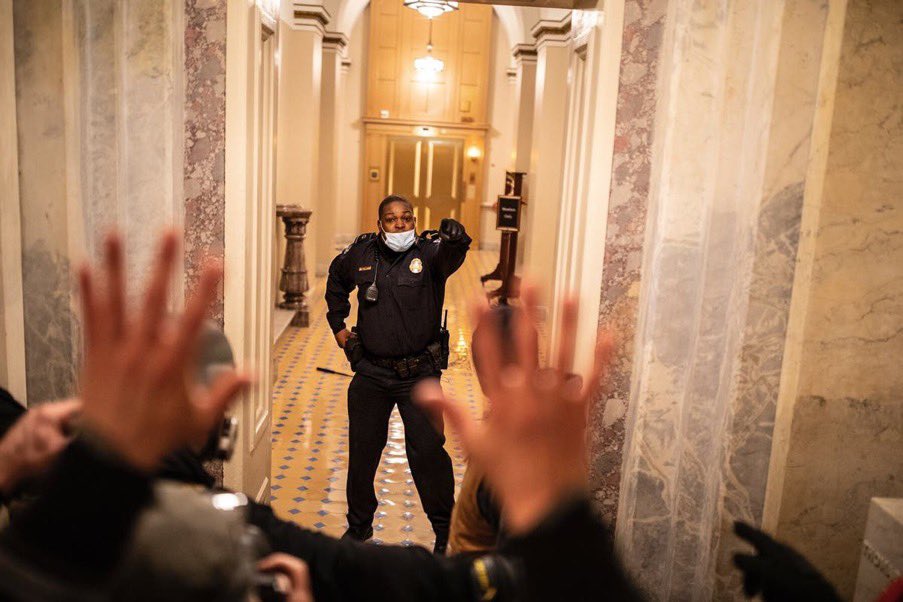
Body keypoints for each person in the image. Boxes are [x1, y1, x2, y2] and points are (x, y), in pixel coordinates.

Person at [325, 195, 470, 553]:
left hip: (419, 375)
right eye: (392, 219)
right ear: (380, 225)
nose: (400, 224)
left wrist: (457, 239)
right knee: (362, 455)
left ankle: (445, 532)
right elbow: (335, 279)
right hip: (372, 373)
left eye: (407, 218)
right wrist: (339, 327)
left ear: (414, 221)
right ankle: (359, 529)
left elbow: (451, 257)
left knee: (428, 455)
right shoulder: (361, 253)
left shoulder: (429, 253)